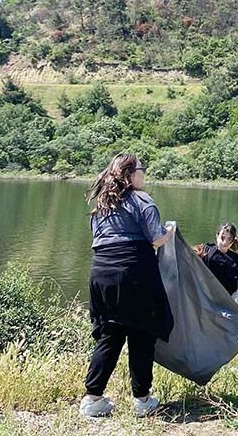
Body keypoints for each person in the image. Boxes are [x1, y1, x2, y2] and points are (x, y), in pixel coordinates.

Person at [80, 153, 175, 419]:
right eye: (142, 170)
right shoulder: (141, 199)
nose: (144, 174)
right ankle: (143, 400)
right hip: (133, 273)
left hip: (101, 274)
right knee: (141, 334)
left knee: (110, 335)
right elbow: (156, 238)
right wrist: (170, 231)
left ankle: (93, 399)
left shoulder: (101, 205)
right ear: (130, 174)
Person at [194, 223, 238, 295]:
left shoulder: (234, 257)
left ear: (232, 241)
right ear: (217, 236)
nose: (225, 242)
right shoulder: (207, 250)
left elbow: (237, 280)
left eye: (229, 239)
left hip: (229, 295)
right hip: (210, 292)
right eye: (222, 238)